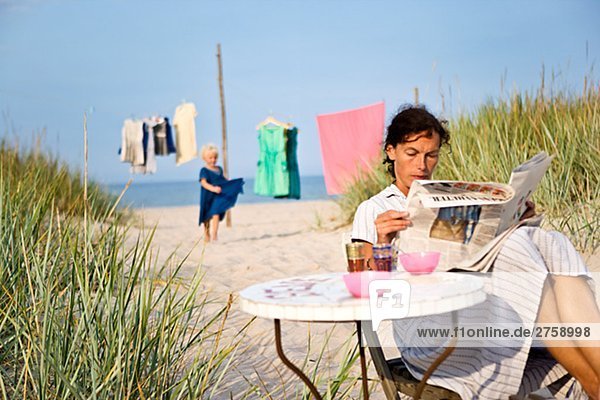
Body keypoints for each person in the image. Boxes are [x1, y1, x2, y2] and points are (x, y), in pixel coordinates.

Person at [351, 105, 600, 399]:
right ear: (391, 151)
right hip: (426, 329)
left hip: (477, 306)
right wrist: (382, 240)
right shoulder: (373, 209)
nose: (422, 164)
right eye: (412, 153)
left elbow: (482, 256)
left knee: (548, 240)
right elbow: (365, 294)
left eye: (431, 155)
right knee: (525, 257)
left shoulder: (449, 196)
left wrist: (514, 217)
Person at [199, 143, 244, 242]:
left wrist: (229, 183)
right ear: (204, 158)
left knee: (216, 213)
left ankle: (214, 234)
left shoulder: (219, 169)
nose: (213, 160)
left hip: (217, 196)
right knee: (206, 217)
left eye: (215, 157)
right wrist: (213, 188)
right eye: (210, 158)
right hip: (207, 196)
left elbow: (222, 180)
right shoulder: (204, 170)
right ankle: (207, 234)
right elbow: (203, 183)